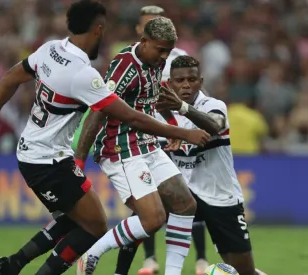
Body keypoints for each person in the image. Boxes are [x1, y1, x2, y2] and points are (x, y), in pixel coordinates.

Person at [0, 2, 210, 275]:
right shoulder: (83, 75)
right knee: (94, 226)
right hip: (47, 160)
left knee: (75, 219)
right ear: (98, 30)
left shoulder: (50, 49)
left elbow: (11, 76)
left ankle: (14, 264)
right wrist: (183, 132)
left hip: (40, 152)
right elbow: (130, 117)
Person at [112, 55, 267, 275]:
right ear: (170, 84)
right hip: (182, 193)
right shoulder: (157, 115)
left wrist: (183, 107)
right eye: (180, 80)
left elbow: (214, 126)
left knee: (243, 270)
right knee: (143, 218)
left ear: (200, 82)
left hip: (219, 196)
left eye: (191, 79)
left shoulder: (214, 105)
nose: (186, 84)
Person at [75, 17, 200, 275]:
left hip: (148, 144)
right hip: (120, 148)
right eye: (161, 49)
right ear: (144, 41)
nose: (165, 56)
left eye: (168, 49)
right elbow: (98, 111)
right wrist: (79, 160)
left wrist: (169, 124)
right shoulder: (124, 67)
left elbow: (152, 99)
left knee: (186, 204)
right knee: (153, 219)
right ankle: (92, 254)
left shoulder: (155, 61)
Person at [111, 5, 207, 275]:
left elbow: (185, 93)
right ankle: (149, 258)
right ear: (140, 31)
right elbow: (113, 104)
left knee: (186, 199)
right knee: (151, 210)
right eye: (146, 24)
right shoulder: (130, 60)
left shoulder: (176, 56)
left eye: (157, 22)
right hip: (141, 139)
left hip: (174, 135)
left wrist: (181, 126)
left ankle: (199, 258)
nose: (151, 27)